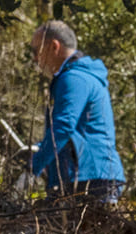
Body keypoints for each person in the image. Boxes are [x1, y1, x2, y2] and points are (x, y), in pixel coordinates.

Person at [26, 22, 125, 204]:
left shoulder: (73, 79)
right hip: (93, 175)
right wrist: (42, 148)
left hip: (90, 179)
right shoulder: (80, 76)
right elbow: (76, 131)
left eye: (35, 50)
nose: (35, 58)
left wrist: (34, 168)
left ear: (54, 46)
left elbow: (63, 127)